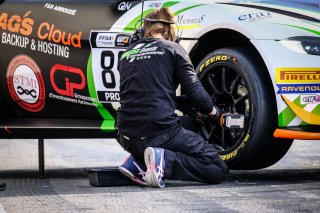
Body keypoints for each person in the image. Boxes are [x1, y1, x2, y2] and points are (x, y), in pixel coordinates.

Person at [117, 8, 229, 188]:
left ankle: (138, 163)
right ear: (169, 29)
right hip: (159, 132)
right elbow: (194, 89)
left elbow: (144, 92)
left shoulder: (126, 54)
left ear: (146, 28)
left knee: (191, 124)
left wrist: (182, 105)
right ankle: (163, 161)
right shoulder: (174, 49)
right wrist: (215, 112)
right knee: (218, 170)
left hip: (126, 136)